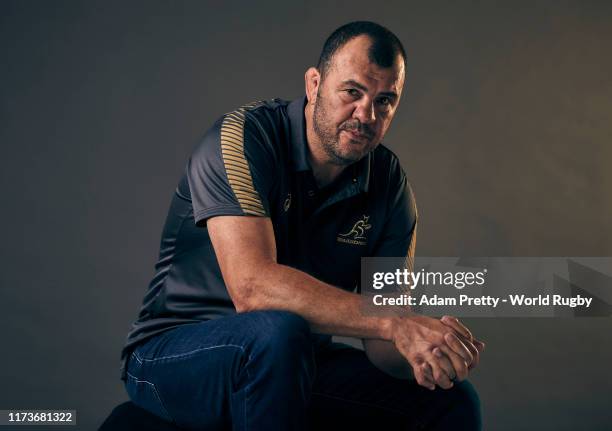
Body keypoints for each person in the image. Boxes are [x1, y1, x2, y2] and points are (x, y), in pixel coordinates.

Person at [120, 21, 484, 430]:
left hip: (293, 360)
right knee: (278, 332)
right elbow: (252, 288)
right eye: (353, 92)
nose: (366, 115)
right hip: (173, 354)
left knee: (452, 402)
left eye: (385, 101)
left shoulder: (389, 184)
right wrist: (394, 322)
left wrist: (428, 347)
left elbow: (385, 338)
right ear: (314, 84)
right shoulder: (243, 139)